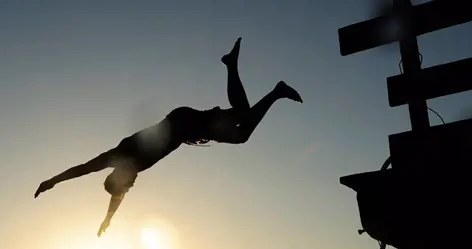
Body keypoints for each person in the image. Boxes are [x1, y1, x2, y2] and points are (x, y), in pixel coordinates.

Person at [34, 37, 303, 236]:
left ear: (119, 176)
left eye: (127, 186)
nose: (131, 188)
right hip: (187, 128)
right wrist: (108, 220)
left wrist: (53, 181)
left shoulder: (118, 156)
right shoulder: (131, 168)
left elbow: (83, 168)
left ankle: (253, 78)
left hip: (183, 123)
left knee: (242, 123)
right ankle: (261, 83)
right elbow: (117, 198)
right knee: (242, 125)